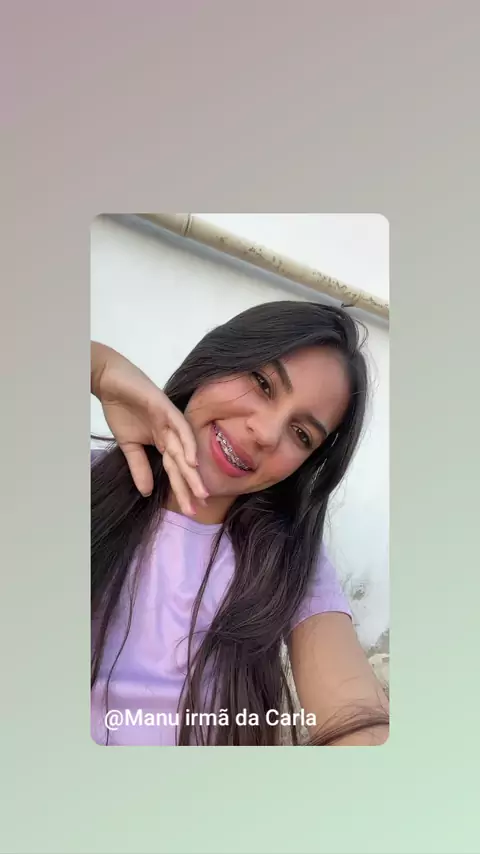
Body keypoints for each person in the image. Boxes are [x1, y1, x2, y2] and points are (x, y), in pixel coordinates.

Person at [91, 300, 389, 746]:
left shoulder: (287, 561)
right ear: (218, 358)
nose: (266, 433)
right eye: (263, 384)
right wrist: (97, 368)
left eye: (301, 434)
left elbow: (356, 717)